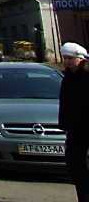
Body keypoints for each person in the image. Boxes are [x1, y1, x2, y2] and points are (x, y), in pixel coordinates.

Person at [58, 42, 89, 202]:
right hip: (75, 129)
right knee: (75, 165)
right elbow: (65, 103)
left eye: (70, 58)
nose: (67, 61)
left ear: (80, 58)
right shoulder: (68, 78)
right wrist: (64, 124)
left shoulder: (86, 76)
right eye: (65, 58)